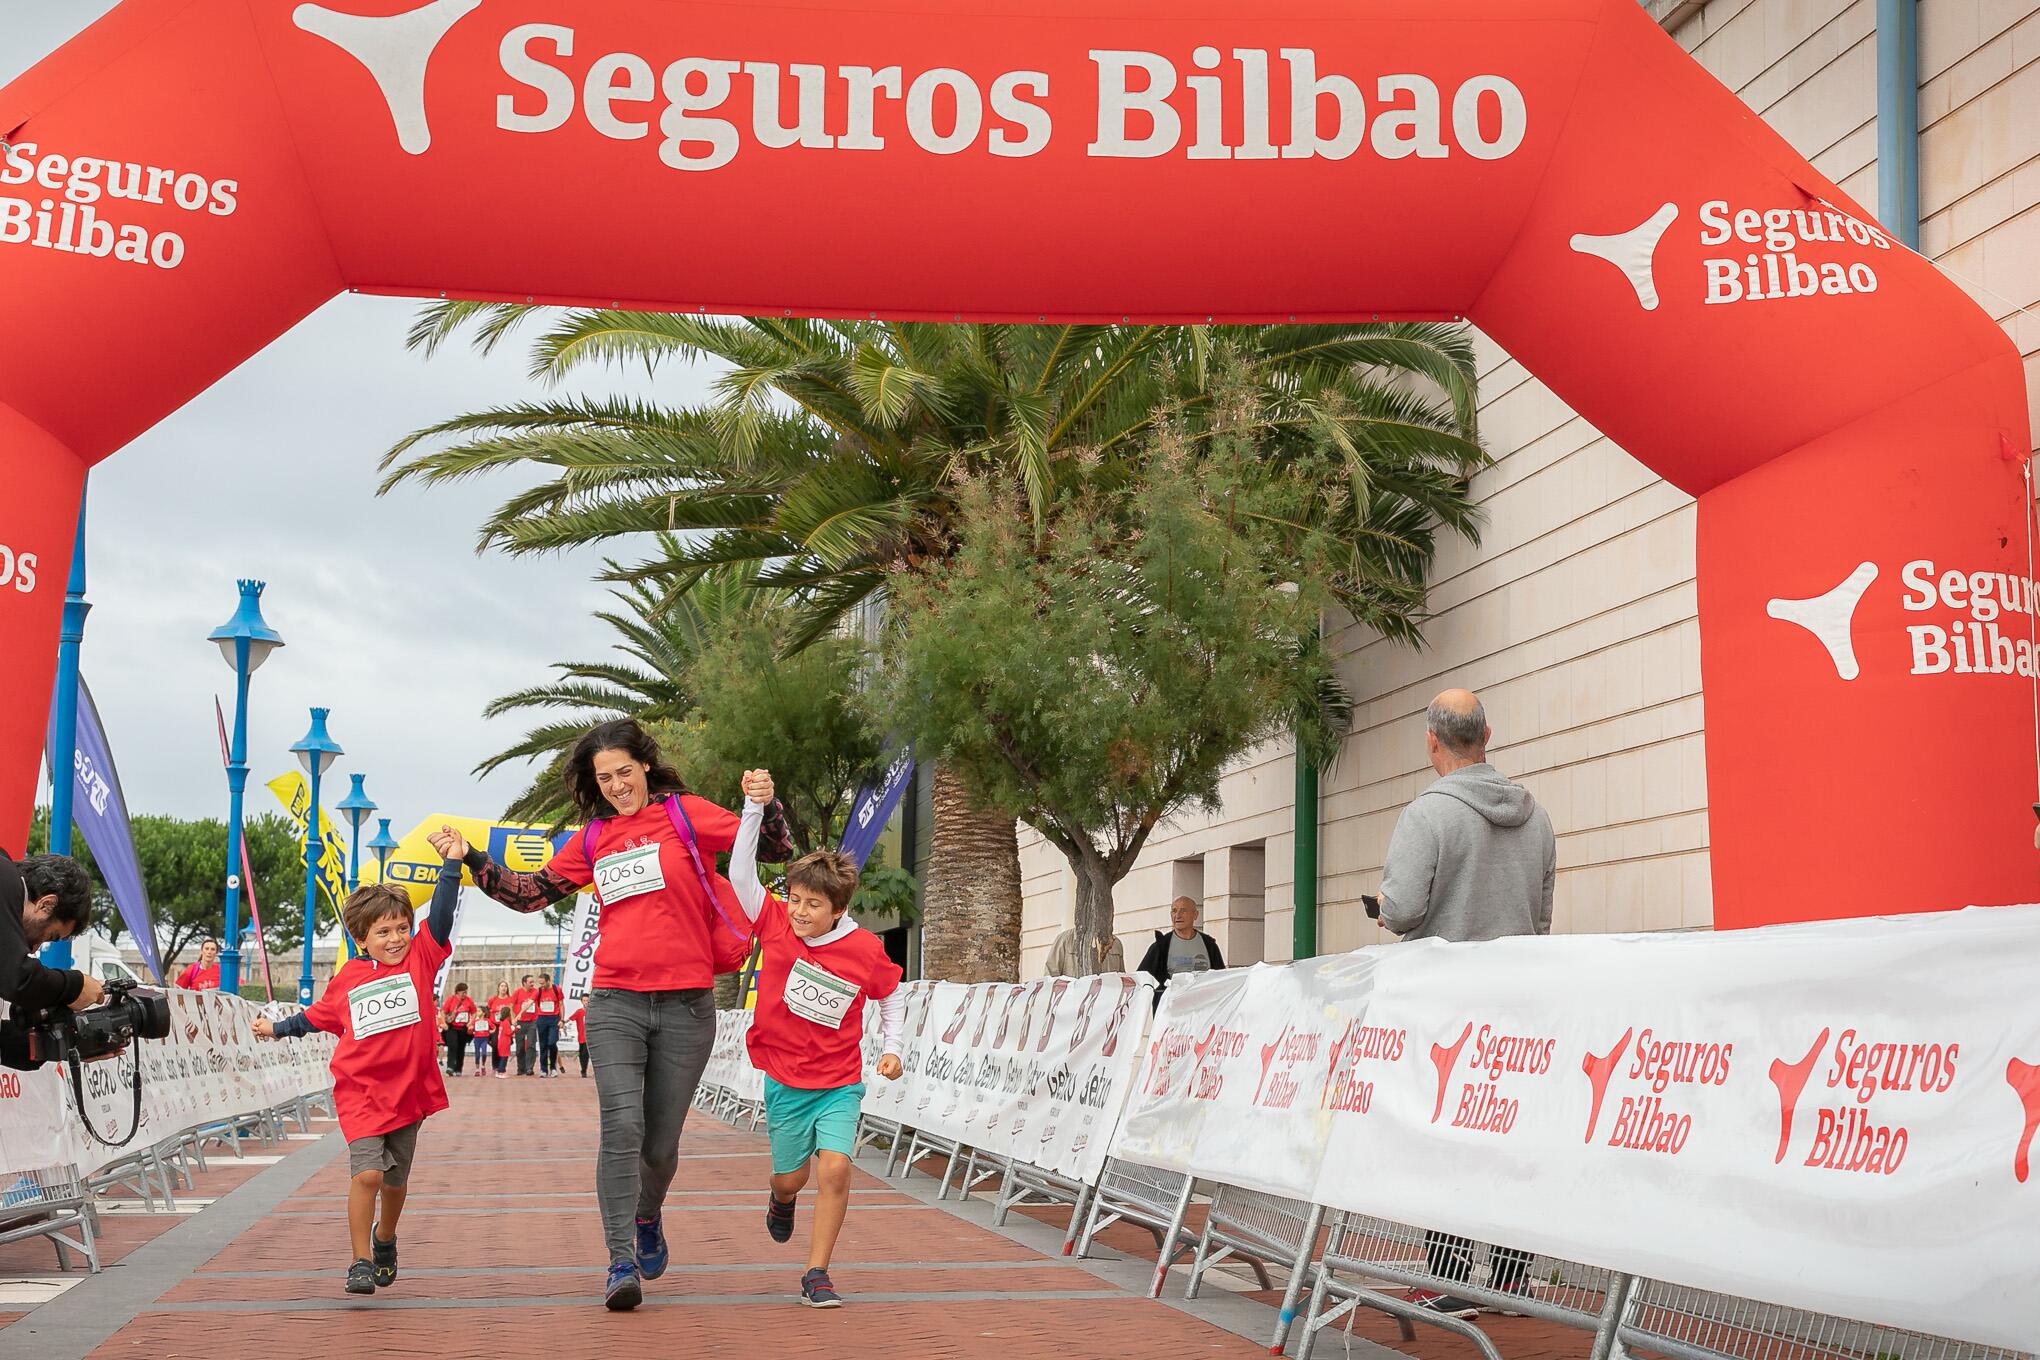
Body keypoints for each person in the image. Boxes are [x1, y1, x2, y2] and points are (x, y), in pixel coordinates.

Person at [432, 717, 792, 1310]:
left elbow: (773, 850)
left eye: (625, 772)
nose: (618, 786)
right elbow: (528, 893)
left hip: (686, 1007)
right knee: (621, 1128)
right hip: (615, 1003)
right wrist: (470, 855)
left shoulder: (686, 815)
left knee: (661, 1144)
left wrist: (765, 803)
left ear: (646, 765)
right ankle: (619, 1258)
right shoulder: (593, 838)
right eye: (605, 778)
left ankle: (647, 1216)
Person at [1378, 688, 1555, 1319]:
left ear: (1432, 740)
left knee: (1445, 1137)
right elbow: (1541, 917)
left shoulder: (1426, 816)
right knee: (1508, 1135)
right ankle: (1510, 1279)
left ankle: (1449, 1278)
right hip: (1518, 1005)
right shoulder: (1536, 819)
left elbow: (1401, 909)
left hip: (1446, 1011)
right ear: (1488, 735)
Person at [730, 769, 903, 1308]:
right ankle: (780, 1201)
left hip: (838, 1081)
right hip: (784, 1077)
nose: (799, 911)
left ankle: (817, 1272)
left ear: (839, 909)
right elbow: (739, 874)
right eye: (795, 899)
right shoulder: (775, 923)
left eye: (812, 904)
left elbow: (889, 995)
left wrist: (894, 1048)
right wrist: (753, 808)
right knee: (791, 1179)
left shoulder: (864, 950)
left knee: (835, 1167)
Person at [252, 858, 460, 1296]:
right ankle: (359, 1260)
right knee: (367, 1175)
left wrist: (452, 866)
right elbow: (317, 1016)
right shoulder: (348, 977)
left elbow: (440, 918)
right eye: (383, 932)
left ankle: (386, 1239)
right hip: (360, 1093)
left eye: (402, 928)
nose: (396, 939)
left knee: (395, 1181)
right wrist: (277, 1028)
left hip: (409, 1094)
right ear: (360, 938)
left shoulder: (421, 959)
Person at [0, 849, 106, 1070]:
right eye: (50, 936)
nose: (37, 946)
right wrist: (75, 985)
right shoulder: (4, 875)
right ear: (45, 904)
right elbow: (19, 979)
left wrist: (72, 1042)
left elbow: (4, 1045)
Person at [1136, 897, 1224, 1002]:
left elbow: (1221, 978)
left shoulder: (1209, 945)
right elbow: (1142, 978)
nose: (1178, 915)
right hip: (1172, 1009)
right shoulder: (1161, 946)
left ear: (1195, 915)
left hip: (1203, 1008)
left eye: (1183, 910)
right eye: (1174, 911)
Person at [1044, 925, 1124, 977]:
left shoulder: (1115, 943)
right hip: (1074, 1001)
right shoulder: (1064, 940)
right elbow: (1050, 977)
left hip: (1106, 1001)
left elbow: (1121, 978)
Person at [532, 972, 564, 1076]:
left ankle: (553, 1067)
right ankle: (543, 1069)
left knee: (552, 1042)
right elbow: (529, 1002)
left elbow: (561, 1004)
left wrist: (562, 1020)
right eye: (540, 983)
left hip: (554, 1019)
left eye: (543, 983)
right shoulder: (539, 991)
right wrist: (519, 1015)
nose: (541, 986)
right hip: (542, 1019)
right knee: (543, 1045)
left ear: (548, 981)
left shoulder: (556, 989)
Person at [442, 982, 475, 1075]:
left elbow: (474, 1012)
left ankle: (458, 1069)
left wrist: (470, 1023)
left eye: (466, 992)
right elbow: (443, 1012)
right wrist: (444, 1023)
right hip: (452, 1027)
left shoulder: (469, 1000)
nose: (465, 994)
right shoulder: (451, 999)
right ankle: (450, 1066)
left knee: (461, 1047)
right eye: (463, 992)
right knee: (452, 1045)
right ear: (458, 992)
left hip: (463, 1028)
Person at [512, 973, 538, 1076]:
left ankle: (529, 1068)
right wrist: (513, 1018)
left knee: (531, 1044)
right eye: (530, 982)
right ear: (524, 983)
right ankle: (520, 1068)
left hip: (532, 1021)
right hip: (520, 1022)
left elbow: (532, 1002)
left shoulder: (535, 992)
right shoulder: (517, 992)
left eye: (533, 982)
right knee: (520, 1046)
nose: (532, 984)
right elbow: (510, 1006)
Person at [469, 999, 494, 1076]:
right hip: (477, 1039)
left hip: (484, 1038)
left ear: (483, 1013)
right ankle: (477, 1069)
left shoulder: (487, 1020)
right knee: (477, 1054)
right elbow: (470, 1028)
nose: (477, 1013)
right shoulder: (475, 1021)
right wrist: (470, 1029)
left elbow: (493, 1027)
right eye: (477, 1011)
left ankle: (483, 1065)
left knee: (484, 1053)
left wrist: (490, 1032)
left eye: (479, 1011)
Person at [491, 999, 515, 1077]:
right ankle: (501, 1071)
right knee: (504, 1058)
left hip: (500, 1042)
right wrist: (516, 1029)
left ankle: (501, 1071)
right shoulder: (506, 1022)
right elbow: (509, 1033)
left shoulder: (501, 1022)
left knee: (502, 1057)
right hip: (505, 1043)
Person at [571, 1003, 590, 1077]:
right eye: (584, 1000)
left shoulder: (592, 1012)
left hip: (589, 1037)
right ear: (581, 1001)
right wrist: (562, 1023)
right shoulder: (579, 1012)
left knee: (586, 1054)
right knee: (582, 1054)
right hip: (581, 1037)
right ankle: (583, 1069)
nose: (586, 1002)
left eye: (587, 1000)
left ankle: (584, 1070)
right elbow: (571, 1018)